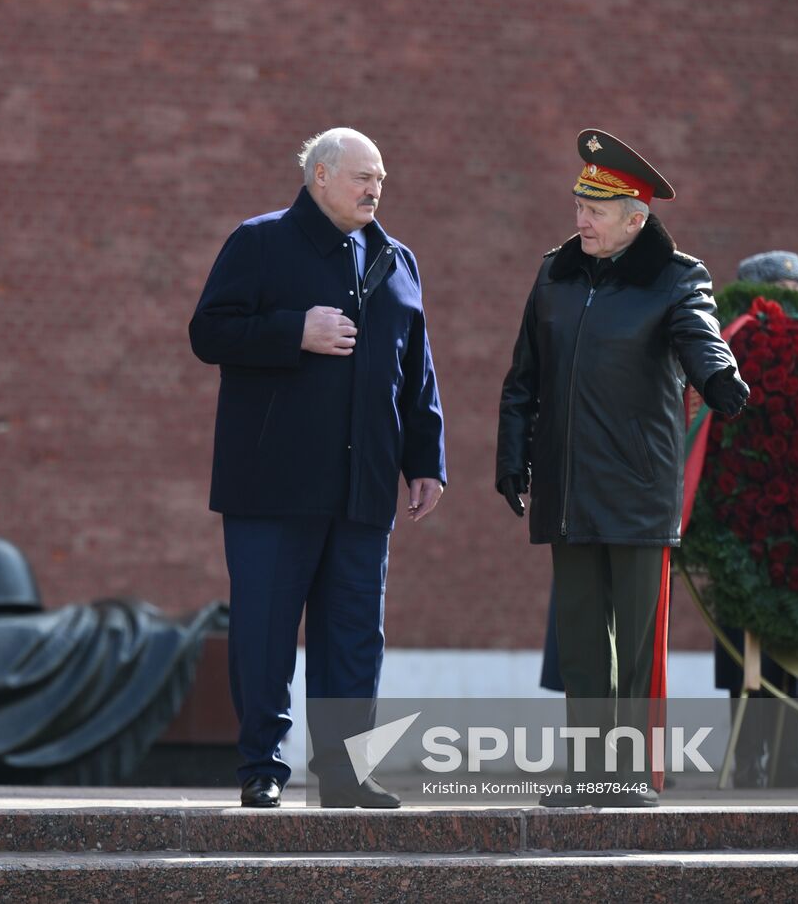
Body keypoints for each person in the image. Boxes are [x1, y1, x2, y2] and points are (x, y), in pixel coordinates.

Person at [189, 127, 448, 809]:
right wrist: (292, 331)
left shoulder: (397, 259)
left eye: (382, 179)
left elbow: (415, 371)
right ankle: (262, 767)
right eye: (363, 176)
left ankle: (344, 772)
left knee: (355, 634)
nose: (375, 189)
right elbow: (208, 331)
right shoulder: (261, 241)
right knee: (266, 631)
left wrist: (426, 459)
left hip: (364, 487)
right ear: (320, 176)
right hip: (272, 483)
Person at [496, 129, 750, 807]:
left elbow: (700, 333)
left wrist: (720, 375)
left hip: (638, 489)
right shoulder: (554, 273)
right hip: (568, 487)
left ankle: (629, 774)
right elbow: (525, 377)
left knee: (635, 649)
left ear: (636, 219)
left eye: (597, 209)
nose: (581, 218)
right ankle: (588, 775)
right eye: (580, 203)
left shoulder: (676, 276)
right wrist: (512, 454)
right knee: (582, 641)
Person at [713, 250, 798, 789]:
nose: (794, 304)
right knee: (742, 647)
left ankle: (790, 758)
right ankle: (749, 759)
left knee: (795, 638)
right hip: (740, 517)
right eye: (782, 292)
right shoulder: (728, 347)